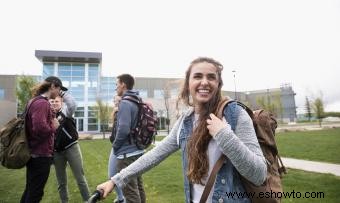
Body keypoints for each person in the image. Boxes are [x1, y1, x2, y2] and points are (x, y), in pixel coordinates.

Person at [96, 57, 267, 203]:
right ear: (188, 84)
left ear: (218, 83)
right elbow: (154, 155)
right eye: (198, 76)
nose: (204, 82)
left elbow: (259, 174)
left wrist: (224, 134)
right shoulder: (185, 121)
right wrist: (116, 180)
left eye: (211, 77)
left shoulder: (235, 114)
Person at [20, 76, 64, 203]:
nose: (59, 92)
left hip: (35, 154)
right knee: (35, 193)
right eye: (59, 88)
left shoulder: (34, 101)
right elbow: (39, 129)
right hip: (40, 155)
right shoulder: (42, 103)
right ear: (53, 86)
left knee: (30, 189)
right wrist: (54, 126)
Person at [49, 90, 90, 203]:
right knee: (61, 182)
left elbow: (72, 104)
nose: (54, 103)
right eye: (51, 101)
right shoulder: (48, 117)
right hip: (57, 152)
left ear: (61, 102)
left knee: (80, 178)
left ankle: (88, 200)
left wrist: (61, 92)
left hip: (72, 148)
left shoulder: (66, 112)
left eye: (56, 101)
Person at [110, 74, 146, 203]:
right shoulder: (136, 99)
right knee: (138, 187)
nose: (116, 88)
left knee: (130, 192)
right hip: (137, 150)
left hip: (126, 154)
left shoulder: (125, 102)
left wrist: (115, 145)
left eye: (116, 84)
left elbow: (124, 128)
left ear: (123, 84)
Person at [108, 95, 125, 203]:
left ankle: (122, 198)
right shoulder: (117, 113)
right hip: (116, 146)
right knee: (114, 175)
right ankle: (121, 198)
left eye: (117, 100)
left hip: (120, 147)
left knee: (113, 175)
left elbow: (123, 131)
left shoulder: (123, 113)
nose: (115, 102)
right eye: (114, 100)